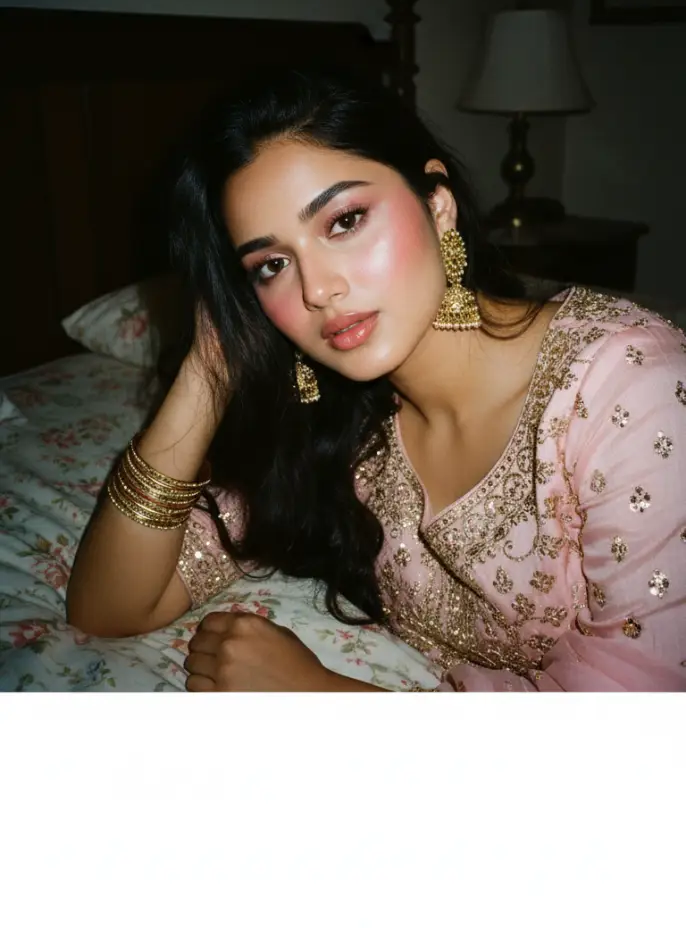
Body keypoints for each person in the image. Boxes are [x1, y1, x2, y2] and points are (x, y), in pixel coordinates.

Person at [66, 68, 686, 691]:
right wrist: (208, 366)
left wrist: (322, 695)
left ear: (436, 205)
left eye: (344, 221)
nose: (317, 290)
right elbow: (110, 608)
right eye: (272, 264)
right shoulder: (338, 425)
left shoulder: (627, 389)